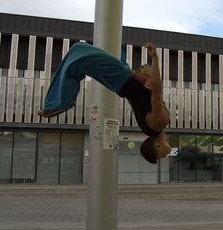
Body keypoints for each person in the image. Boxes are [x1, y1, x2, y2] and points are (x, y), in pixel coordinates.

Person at [38, 42, 171, 163]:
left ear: (158, 146)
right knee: (113, 45)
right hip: (122, 80)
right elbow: (141, 97)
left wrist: (155, 58)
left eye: (161, 156)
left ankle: (56, 104)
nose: (165, 156)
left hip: (122, 78)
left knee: (78, 52)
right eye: (162, 157)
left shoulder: (158, 123)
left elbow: (156, 91)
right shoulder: (155, 127)